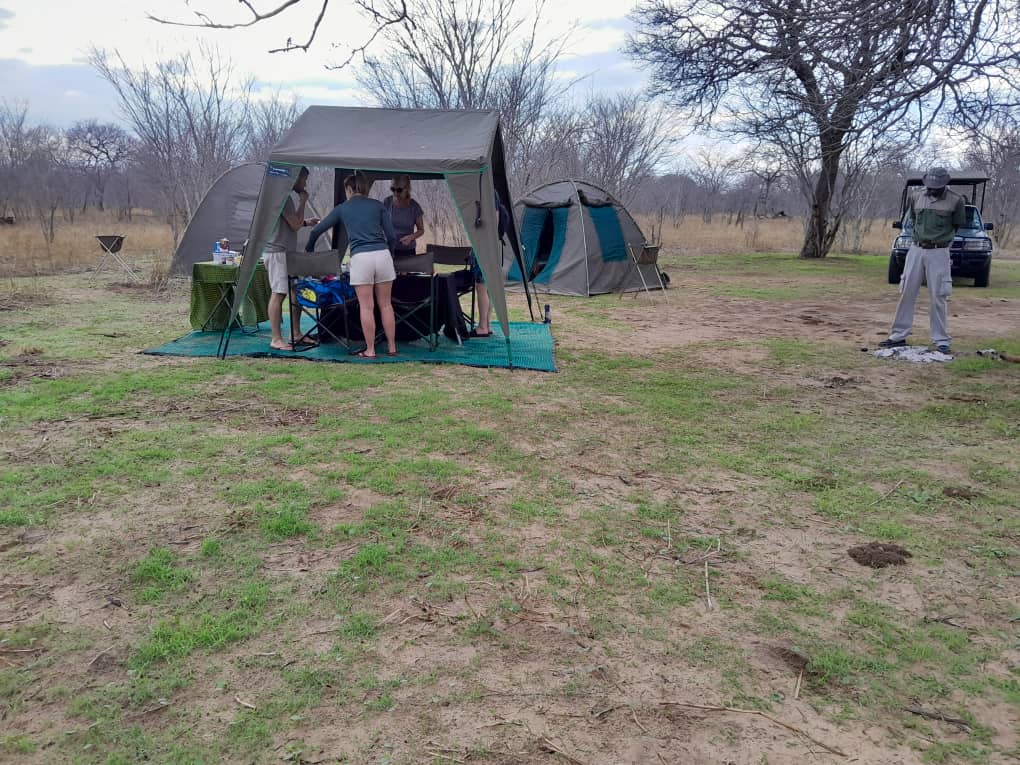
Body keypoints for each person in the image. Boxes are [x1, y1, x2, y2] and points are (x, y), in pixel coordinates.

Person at [305, 171, 398, 358]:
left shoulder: (342, 208)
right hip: (382, 255)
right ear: (364, 187)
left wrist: (309, 249)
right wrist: (391, 254)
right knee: (386, 305)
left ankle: (370, 349)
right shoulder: (378, 205)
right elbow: (392, 237)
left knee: (366, 307)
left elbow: (316, 231)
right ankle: (392, 348)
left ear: (348, 188)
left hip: (361, 258)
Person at [879, 166, 965, 354]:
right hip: (916, 249)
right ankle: (898, 336)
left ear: (945, 184)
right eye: (930, 185)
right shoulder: (916, 196)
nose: (932, 189)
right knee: (907, 291)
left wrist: (942, 242)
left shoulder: (956, 201)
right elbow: (912, 219)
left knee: (939, 295)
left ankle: (941, 339)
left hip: (939, 251)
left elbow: (957, 225)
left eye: (936, 186)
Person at [264, 166, 319, 351]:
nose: (305, 184)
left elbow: (290, 222)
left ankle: (296, 333)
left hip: (287, 252)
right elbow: (294, 225)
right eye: (304, 180)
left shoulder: (284, 197)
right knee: (278, 293)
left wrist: (306, 222)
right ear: (295, 178)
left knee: (296, 291)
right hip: (277, 252)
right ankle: (276, 338)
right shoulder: (284, 197)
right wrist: (303, 201)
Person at [469, 190, 511, 338]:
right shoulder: (492, 192)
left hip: (485, 247)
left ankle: (482, 326)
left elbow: (493, 219)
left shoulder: (487, 192)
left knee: (481, 287)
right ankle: (487, 324)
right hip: (491, 246)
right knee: (487, 288)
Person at [383, 174, 425, 259]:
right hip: (388, 249)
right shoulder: (387, 202)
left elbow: (421, 230)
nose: (395, 193)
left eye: (399, 190)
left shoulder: (414, 206)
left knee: (407, 272)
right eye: (392, 189)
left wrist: (411, 237)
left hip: (408, 251)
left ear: (407, 189)